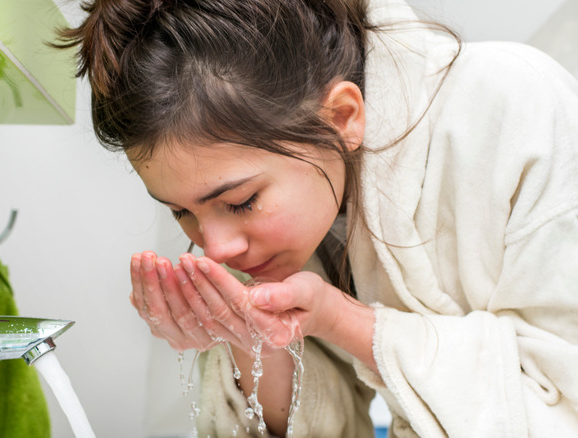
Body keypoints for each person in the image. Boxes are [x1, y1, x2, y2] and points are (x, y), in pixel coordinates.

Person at [55, 0, 578, 436]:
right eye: (179, 211)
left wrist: (343, 321)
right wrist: (249, 340)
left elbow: (564, 403)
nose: (215, 248)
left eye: (239, 201)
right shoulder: (267, 227)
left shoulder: (515, 105)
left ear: (343, 118)